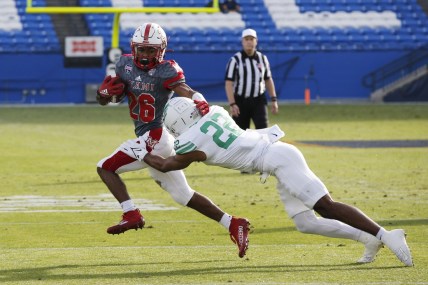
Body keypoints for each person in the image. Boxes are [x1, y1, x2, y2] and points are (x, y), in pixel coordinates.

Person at [137, 97, 414, 267]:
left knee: (326, 206)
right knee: (306, 223)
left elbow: (165, 164)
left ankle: (386, 234)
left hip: (277, 158)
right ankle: (367, 238)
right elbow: (192, 95)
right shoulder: (215, 111)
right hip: (275, 156)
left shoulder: (190, 141)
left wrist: (139, 150)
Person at [95, 23, 250, 258]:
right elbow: (112, 96)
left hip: (155, 137)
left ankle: (131, 214)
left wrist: (197, 97)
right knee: (182, 195)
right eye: (142, 50)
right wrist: (103, 95)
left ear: (161, 50)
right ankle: (232, 223)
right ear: (134, 48)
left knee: (105, 167)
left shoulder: (167, 70)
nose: (146, 55)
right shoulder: (124, 65)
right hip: (153, 137)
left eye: (151, 50)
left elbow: (183, 88)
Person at [225, 28, 278, 131]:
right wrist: (232, 104)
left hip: (258, 100)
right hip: (240, 101)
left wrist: (274, 99)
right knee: (239, 134)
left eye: (251, 39)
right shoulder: (235, 60)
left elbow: (268, 79)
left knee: (263, 132)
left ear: (256, 41)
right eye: (246, 39)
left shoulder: (262, 58)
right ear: (242, 41)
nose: (249, 42)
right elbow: (228, 83)